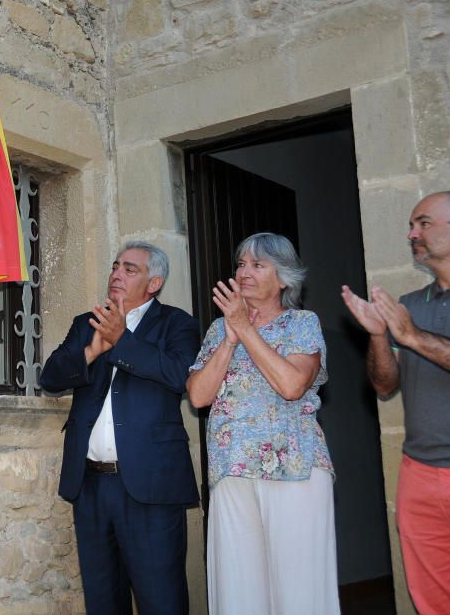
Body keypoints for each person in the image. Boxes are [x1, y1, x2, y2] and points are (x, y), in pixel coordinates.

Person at [342, 191, 450, 614]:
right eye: (412, 226)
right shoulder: (411, 306)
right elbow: (384, 386)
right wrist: (380, 336)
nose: (411, 233)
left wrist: (414, 337)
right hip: (420, 477)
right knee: (438, 606)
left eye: (423, 223)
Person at [39, 241, 200, 615]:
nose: (116, 274)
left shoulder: (178, 324)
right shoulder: (87, 322)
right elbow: (50, 378)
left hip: (151, 486)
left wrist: (121, 341)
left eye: (130, 269)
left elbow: (180, 375)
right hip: (91, 485)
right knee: (103, 600)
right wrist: (92, 352)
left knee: (161, 599)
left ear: (154, 282)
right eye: (115, 266)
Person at [187, 232, 339, 615]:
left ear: (284, 279)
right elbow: (199, 396)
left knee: (299, 589)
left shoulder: (302, 323)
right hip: (231, 469)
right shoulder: (219, 330)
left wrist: (247, 329)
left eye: (258, 264)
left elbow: (291, 385)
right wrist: (230, 337)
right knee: (238, 591)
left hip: (294, 469)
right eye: (241, 264)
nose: (245, 271)